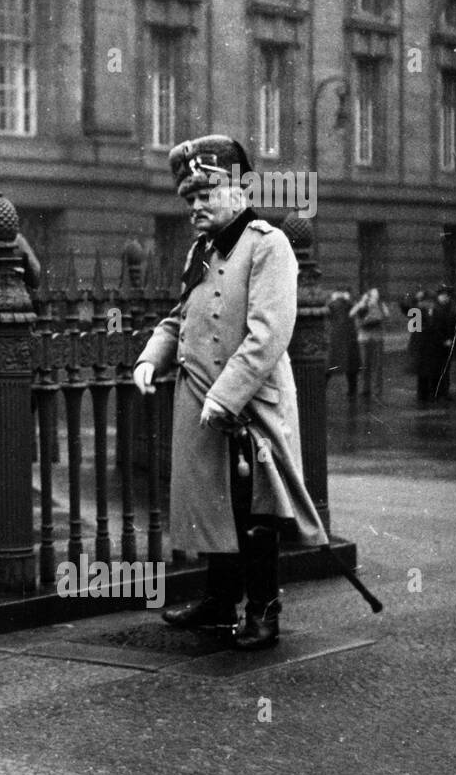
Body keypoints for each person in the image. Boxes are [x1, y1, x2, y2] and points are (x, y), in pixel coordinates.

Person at [133, 134, 327, 651]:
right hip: (201, 396)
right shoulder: (201, 248)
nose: (195, 207)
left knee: (257, 510)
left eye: (205, 195)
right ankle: (220, 602)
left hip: (252, 402)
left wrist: (228, 396)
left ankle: (263, 611)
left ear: (239, 189)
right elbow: (180, 318)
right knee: (214, 504)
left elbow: (268, 334)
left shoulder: (268, 244)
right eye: (190, 198)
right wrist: (153, 355)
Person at [350, 287, 388, 398]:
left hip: (377, 338)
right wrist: (362, 303)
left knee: (378, 365)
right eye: (373, 296)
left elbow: (387, 315)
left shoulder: (381, 304)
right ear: (368, 296)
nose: (375, 298)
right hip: (364, 338)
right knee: (364, 364)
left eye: (377, 296)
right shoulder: (362, 304)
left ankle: (377, 390)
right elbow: (352, 313)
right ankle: (365, 389)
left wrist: (379, 311)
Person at [326, 288, 361, 400]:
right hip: (350, 338)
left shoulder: (332, 304)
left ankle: (321, 388)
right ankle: (352, 392)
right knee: (351, 367)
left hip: (335, 338)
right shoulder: (349, 304)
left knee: (331, 365)